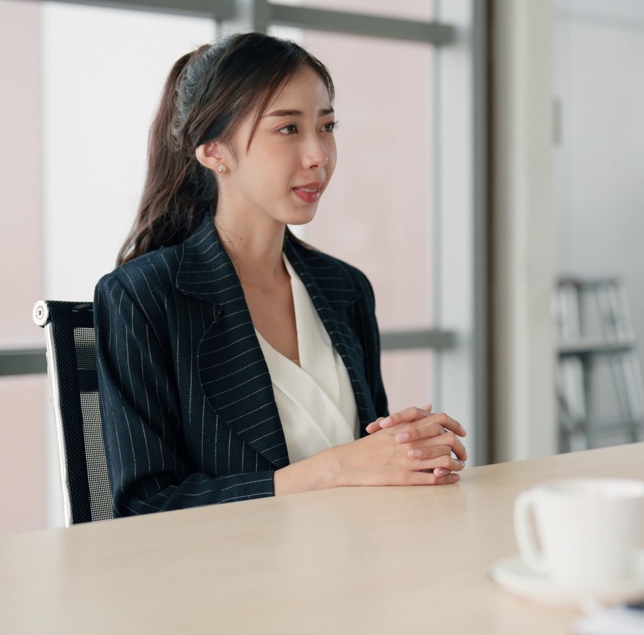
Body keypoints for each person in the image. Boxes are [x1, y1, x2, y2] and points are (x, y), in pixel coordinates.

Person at [94, 32, 467, 517]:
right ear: (213, 152)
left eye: (327, 126)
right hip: (234, 584)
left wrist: (410, 452)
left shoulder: (346, 290)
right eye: (288, 129)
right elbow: (146, 507)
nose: (318, 155)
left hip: (360, 567)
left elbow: (367, 468)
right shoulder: (143, 298)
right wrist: (335, 469)